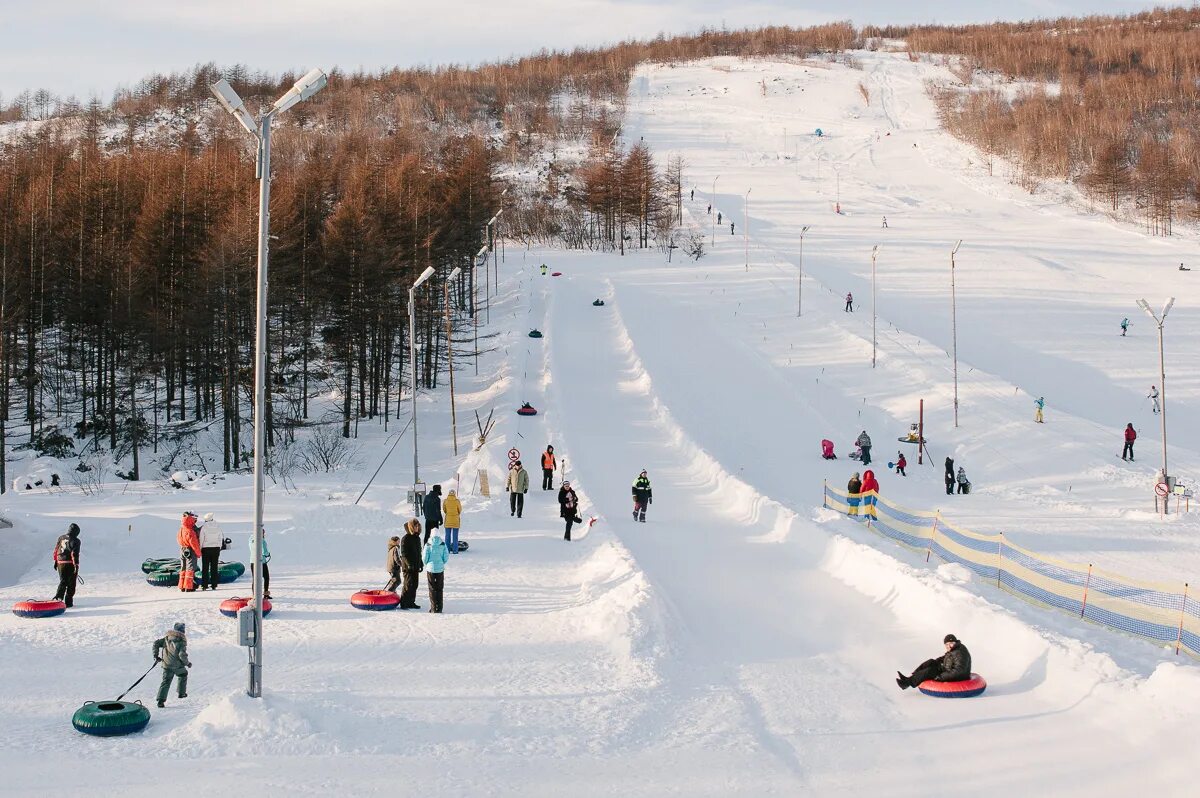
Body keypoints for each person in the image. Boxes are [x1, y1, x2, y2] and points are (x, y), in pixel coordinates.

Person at [896, 633, 972, 690]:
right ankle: (910, 678)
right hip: (948, 670)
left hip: (958, 677)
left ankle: (907, 684)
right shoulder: (955, 648)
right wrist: (937, 661)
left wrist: (941, 677)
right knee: (931, 662)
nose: (949, 646)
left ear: (955, 642)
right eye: (947, 644)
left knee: (930, 671)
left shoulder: (960, 652)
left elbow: (959, 670)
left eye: (951, 643)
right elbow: (949, 657)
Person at [153, 622, 191, 708]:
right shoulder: (182, 641)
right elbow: (182, 655)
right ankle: (181, 693)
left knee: (166, 682)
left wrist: (155, 656)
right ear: (183, 631)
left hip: (166, 665)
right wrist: (187, 663)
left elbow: (156, 643)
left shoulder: (167, 639)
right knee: (183, 674)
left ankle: (160, 701)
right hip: (177, 666)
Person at [52, 523, 81, 607]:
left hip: (60, 563)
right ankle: (68, 602)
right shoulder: (76, 540)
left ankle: (58, 597)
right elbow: (75, 553)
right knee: (71, 583)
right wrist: (76, 565)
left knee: (63, 581)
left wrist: (55, 561)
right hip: (69, 563)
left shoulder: (61, 538)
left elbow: (56, 550)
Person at [422, 531, 449, 613]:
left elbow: (424, 557)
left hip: (430, 569)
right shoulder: (443, 544)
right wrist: (441, 562)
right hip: (440, 569)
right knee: (439, 588)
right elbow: (446, 556)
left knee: (432, 588)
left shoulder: (428, 544)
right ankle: (440, 608)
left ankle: (433, 608)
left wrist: (427, 564)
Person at [400, 518, 423, 610]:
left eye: (418, 526)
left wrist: (420, 563)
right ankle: (404, 602)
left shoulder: (417, 538)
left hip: (415, 566)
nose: (417, 527)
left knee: (415, 584)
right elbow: (404, 553)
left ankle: (411, 602)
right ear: (411, 527)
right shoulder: (406, 538)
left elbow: (419, 552)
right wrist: (409, 564)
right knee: (408, 584)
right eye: (415, 526)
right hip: (408, 567)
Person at [198, 512, 224, 591]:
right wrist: (219, 547)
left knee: (205, 567)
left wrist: (200, 548)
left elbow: (201, 539)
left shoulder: (204, 527)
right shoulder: (218, 527)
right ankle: (214, 584)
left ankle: (204, 585)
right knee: (214, 567)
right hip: (215, 549)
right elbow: (220, 538)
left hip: (206, 549)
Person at [177, 512, 201, 592]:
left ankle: (182, 586)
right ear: (191, 519)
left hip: (182, 549)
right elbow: (194, 544)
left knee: (183, 568)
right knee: (190, 569)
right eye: (195, 519)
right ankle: (188, 587)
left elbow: (178, 539)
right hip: (190, 550)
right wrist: (198, 553)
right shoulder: (190, 531)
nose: (196, 521)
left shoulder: (181, 529)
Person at [249, 527, 271, 599]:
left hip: (252, 561)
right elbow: (264, 552)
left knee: (255, 579)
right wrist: (268, 554)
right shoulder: (262, 540)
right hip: (261, 562)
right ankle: (266, 594)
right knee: (266, 577)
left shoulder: (250, 539)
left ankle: (254, 595)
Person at [443, 489, 462, 554]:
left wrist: (448, 513)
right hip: (456, 521)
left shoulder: (445, 501)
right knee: (455, 536)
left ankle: (447, 550)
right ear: (454, 494)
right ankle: (455, 550)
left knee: (447, 536)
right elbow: (460, 510)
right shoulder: (457, 501)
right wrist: (456, 514)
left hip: (448, 520)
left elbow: (444, 510)